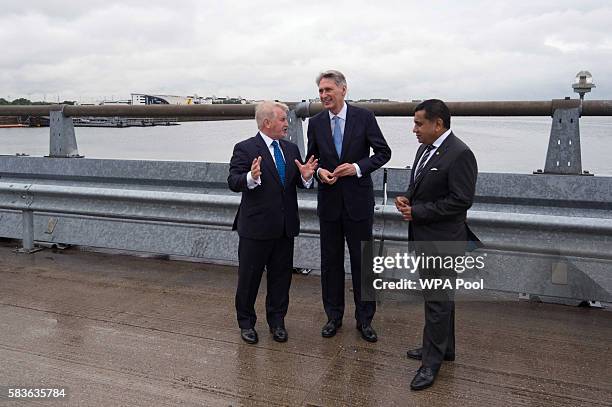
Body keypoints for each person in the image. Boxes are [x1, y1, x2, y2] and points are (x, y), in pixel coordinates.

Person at [395, 99, 479, 390]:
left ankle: (431, 364)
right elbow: (420, 184)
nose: (414, 129)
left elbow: (461, 200)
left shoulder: (460, 154)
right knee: (439, 298)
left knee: (437, 302)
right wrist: (407, 197)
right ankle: (446, 348)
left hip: (444, 240)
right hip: (424, 237)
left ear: (438, 124)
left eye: (419, 123)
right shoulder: (424, 150)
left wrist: (418, 212)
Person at [306, 70, 391, 342]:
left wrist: (356, 168)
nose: (324, 95)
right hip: (329, 203)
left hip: (358, 203)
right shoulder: (316, 122)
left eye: (328, 89)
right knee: (330, 264)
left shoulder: (364, 117)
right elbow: (312, 159)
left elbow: (383, 153)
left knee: (363, 264)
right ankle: (333, 316)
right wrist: (319, 173)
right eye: (320, 91)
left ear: (343, 90)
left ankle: (365, 320)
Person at [228, 101, 318, 344]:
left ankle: (277, 322)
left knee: (281, 279)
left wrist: (306, 177)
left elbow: (298, 182)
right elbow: (233, 181)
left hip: (285, 227)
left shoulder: (290, 150)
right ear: (267, 123)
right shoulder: (245, 149)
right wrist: (251, 176)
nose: (287, 124)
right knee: (249, 279)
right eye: (282, 119)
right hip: (256, 228)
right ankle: (246, 323)